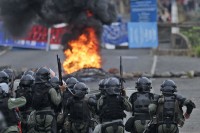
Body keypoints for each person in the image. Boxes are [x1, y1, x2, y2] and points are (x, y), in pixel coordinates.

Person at [28, 67, 65, 133]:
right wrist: (61, 91)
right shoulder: (50, 88)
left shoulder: (33, 87)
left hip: (37, 115)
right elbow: (57, 101)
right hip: (49, 115)